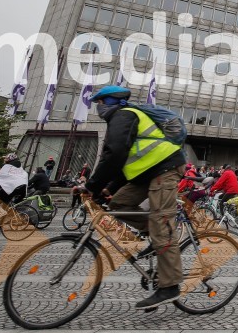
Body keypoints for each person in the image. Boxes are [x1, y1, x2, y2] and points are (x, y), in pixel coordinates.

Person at [83, 85, 185, 310]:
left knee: (162, 224)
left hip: (165, 169)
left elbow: (115, 153)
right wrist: (109, 188)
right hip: (146, 172)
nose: (98, 108)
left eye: (99, 103)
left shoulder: (124, 115)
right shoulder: (121, 118)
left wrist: (92, 186)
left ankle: (170, 285)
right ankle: (156, 236)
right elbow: (127, 158)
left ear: (109, 101)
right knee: (118, 203)